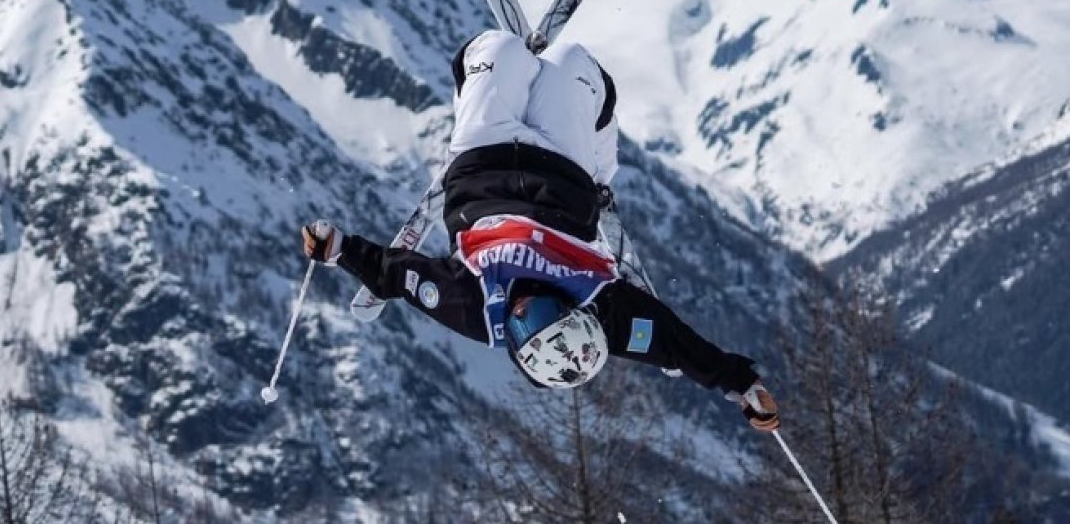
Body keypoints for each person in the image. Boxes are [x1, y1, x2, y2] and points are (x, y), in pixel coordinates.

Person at [301, 30, 779, 432]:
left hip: (481, 157)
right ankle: (597, 160)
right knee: (576, 64)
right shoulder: (603, 312)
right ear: (572, 311)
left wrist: (337, 249)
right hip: (563, 166)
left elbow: (396, 276)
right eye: (546, 313)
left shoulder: (474, 309)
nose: (525, 310)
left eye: (523, 327)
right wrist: (742, 386)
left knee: (494, 49)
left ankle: (492, 79)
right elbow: (676, 344)